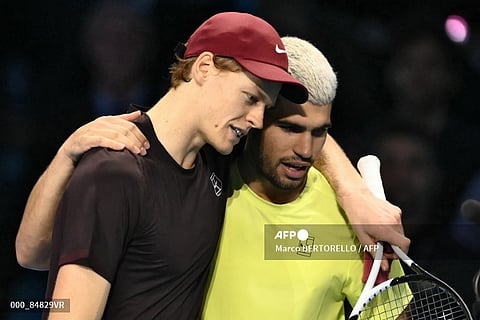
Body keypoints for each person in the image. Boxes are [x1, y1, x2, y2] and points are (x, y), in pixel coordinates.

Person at [20, 11, 311, 319]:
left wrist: (356, 194)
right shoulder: (115, 172)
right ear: (204, 68)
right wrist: (67, 155)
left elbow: (310, 131)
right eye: (250, 98)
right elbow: (33, 257)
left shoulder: (218, 159)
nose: (258, 120)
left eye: (265, 107)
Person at [201, 36, 404, 319]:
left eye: (320, 132)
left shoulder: (357, 222)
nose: (306, 151)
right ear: (255, 115)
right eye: (290, 128)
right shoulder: (201, 186)